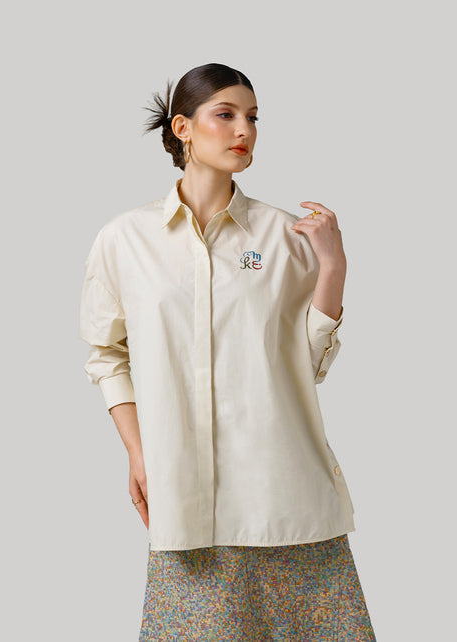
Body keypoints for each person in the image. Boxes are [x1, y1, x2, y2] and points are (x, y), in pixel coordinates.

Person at [79, 62, 377, 640]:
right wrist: (139, 453)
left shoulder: (287, 238)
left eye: (254, 117)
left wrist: (333, 267)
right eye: (226, 114)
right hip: (185, 502)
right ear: (182, 128)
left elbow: (308, 365)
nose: (245, 129)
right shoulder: (124, 240)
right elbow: (106, 355)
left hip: (288, 501)